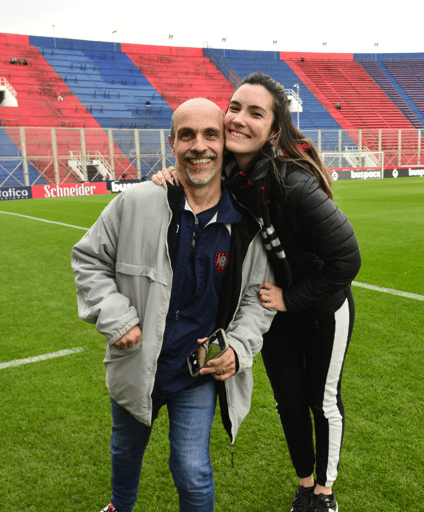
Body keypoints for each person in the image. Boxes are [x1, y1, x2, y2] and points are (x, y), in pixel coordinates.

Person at [154, 72, 361, 512]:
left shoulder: (293, 182)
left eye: (255, 112)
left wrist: (292, 298)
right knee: (288, 401)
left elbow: (347, 261)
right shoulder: (233, 173)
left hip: (324, 305)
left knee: (321, 400)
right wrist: (173, 173)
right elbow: (199, 169)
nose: (239, 119)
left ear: (274, 128)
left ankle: (324, 494)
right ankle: (305, 484)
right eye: (234, 107)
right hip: (275, 305)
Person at [72, 97, 274, 512]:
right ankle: (119, 506)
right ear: (172, 143)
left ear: (225, 144)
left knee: (193, 470)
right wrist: (116, 317)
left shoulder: (246, 226)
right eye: (187, 136)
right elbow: (88, 259)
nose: (198, 146)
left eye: (210, 135)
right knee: (125, 450)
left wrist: (238, 346)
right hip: (136, 358)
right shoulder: (136, 202)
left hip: (196, 370)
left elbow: (258, 299)